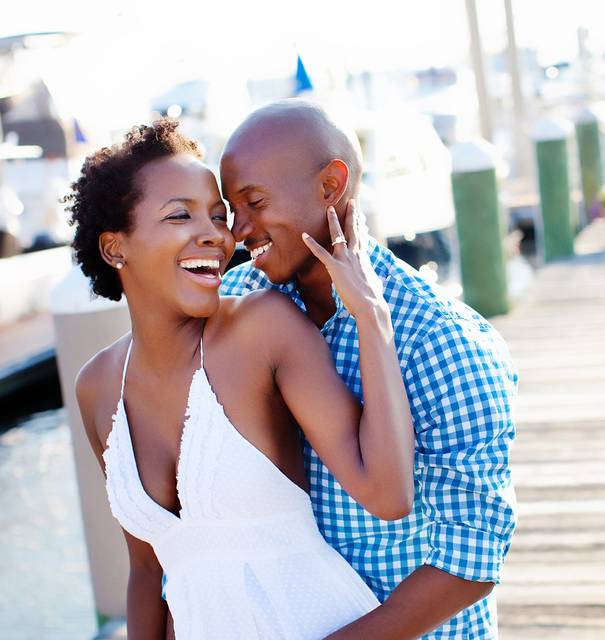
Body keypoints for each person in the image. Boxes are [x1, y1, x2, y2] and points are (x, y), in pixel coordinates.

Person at [68, 119, 415, 639]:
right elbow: (147, 571)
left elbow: (389, 495)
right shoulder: (96, 386)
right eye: (180, 215)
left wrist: (373, 320)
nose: (216, 234)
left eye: (216, 215)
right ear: (116, 248)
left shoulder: (262, 328)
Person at [219, 99, 519, 639]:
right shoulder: (238, 304)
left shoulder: (439, 340)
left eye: (255, 202)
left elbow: (472, 558)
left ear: (331, 187)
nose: (239, 230)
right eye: (231, 209)